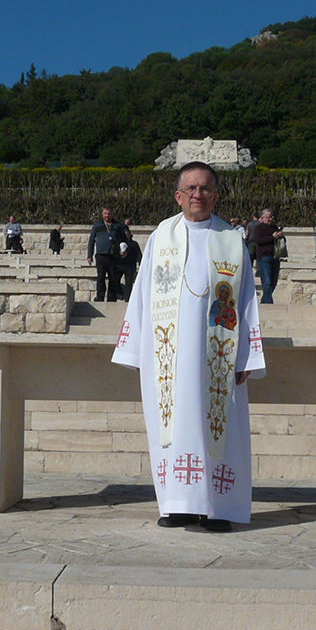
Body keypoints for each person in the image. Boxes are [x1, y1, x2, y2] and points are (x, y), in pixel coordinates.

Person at [112, 161, 266, 533]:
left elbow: (247, 301)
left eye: (206, 188)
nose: (199, 194)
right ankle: (178, 505)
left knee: (219, 431)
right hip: (170, 355)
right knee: (173, 428)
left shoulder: (231, 240)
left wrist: (246, 355)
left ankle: (218, 509)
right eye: (191, 188)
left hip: (218, 353)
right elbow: (141, 295)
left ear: (216, 195)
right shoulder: (161, 237)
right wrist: (135, 349)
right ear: (178, 196)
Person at [86, 207, 124, 302]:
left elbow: (124, 240)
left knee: (113, 277)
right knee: (101, 277)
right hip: (101, 255)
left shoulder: (118, 226)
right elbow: (91, 241)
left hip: (113, 256)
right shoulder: (97, 226)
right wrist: (89, 255)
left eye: (109, 213)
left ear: (112, 214)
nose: (107, 215)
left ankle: (111, 297)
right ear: (102, 214)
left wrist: (124, 251)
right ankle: (100, 296)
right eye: (105, 213)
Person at [252, 208, 284, 304]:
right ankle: (268, 302)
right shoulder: (259, 228)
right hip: (264, 257)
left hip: (275, 256)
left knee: (273, 282)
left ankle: (264, 300)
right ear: (263, 218)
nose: (270, 219)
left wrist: (280, 235)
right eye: (268, 217)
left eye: (271, 217)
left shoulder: (274, 227)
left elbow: (281, 241)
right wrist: (272, 237)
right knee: (267, 281)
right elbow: (259, 241)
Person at [117, 228, 143, 301]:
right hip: (119, 265)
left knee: (129, 283)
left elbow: (139, 254)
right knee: (115, 280)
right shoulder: (118, 243)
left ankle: (127, 298)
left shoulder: (134, 244)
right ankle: (120, 294)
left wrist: (140, 263)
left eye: (127, 234)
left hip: (130, 266)